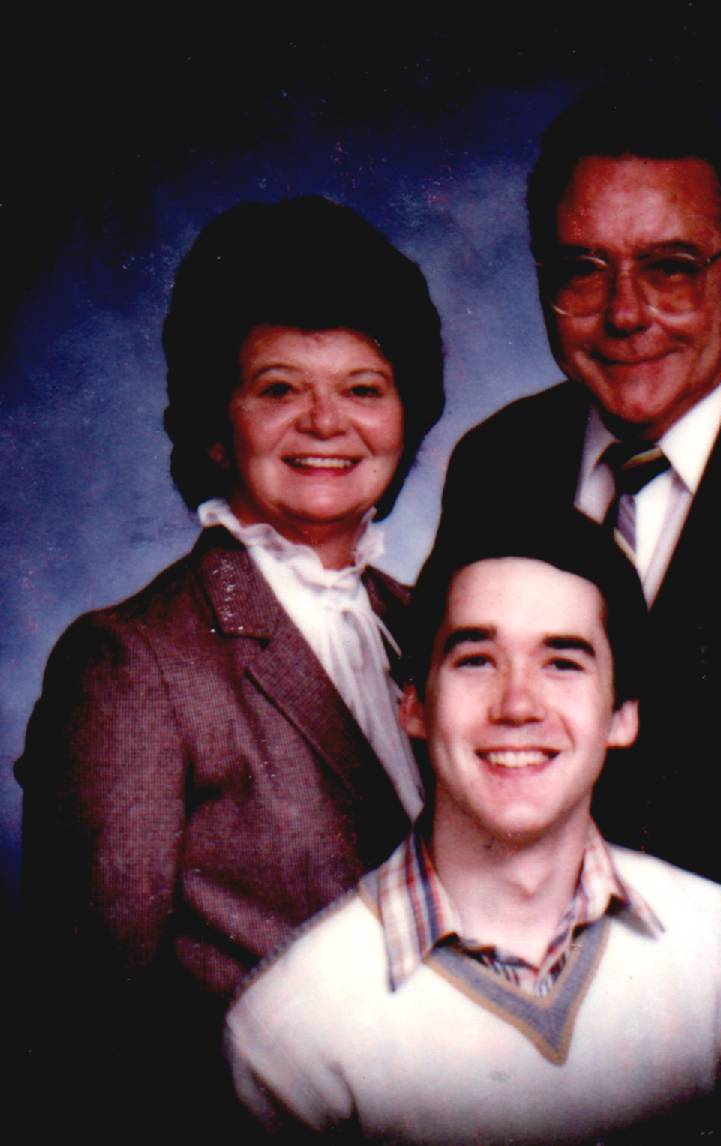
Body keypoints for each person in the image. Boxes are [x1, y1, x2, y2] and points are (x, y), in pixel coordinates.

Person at [15, 197, 444, 1137]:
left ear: (407, 419)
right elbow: (90, 1020)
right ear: (218, 425)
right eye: (279, 389)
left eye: (365, 388)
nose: (326, 422)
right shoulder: (130, 665)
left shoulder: (435, 625)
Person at [227, 512, 721, 1144]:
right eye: (476, 661)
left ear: (622, 714)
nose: (518, 705)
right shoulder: (285, 1036)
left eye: (563, 663)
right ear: (412, 701)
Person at [437, 84, 721, 1011]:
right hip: (523, 1023)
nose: (625, 313)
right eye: (583, 269)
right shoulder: (496, 462)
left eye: (672, 268)